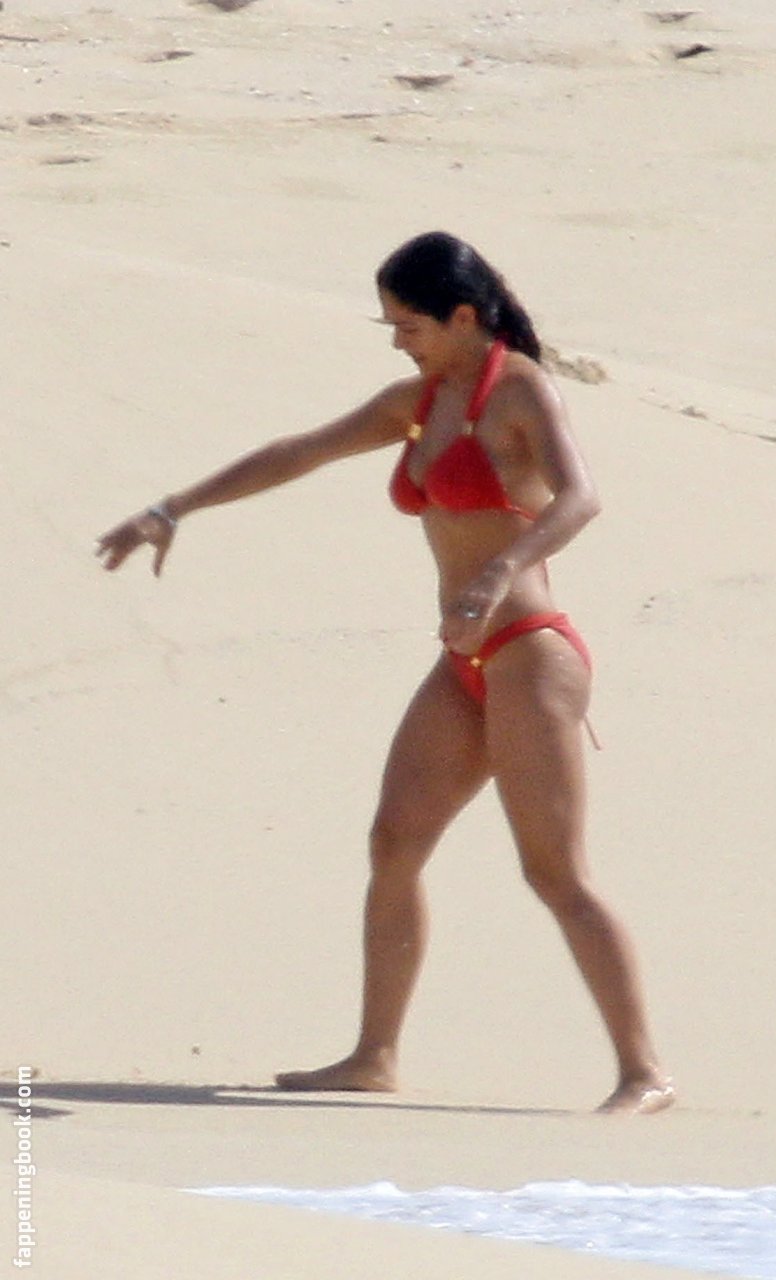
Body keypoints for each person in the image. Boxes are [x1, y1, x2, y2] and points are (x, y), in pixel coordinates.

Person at [96, 231, 674, 1115]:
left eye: (410, 326)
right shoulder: (420, 402)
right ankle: (375, 1056)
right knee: (393, 844)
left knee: (554, 873)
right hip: (464, 660)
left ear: (463, 317)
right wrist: (171, 508)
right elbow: (303, 451)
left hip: (530, 653)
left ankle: (644, 1073)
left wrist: (497, 571)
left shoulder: (521, 389)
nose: (400, 342)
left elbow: (581, 497)